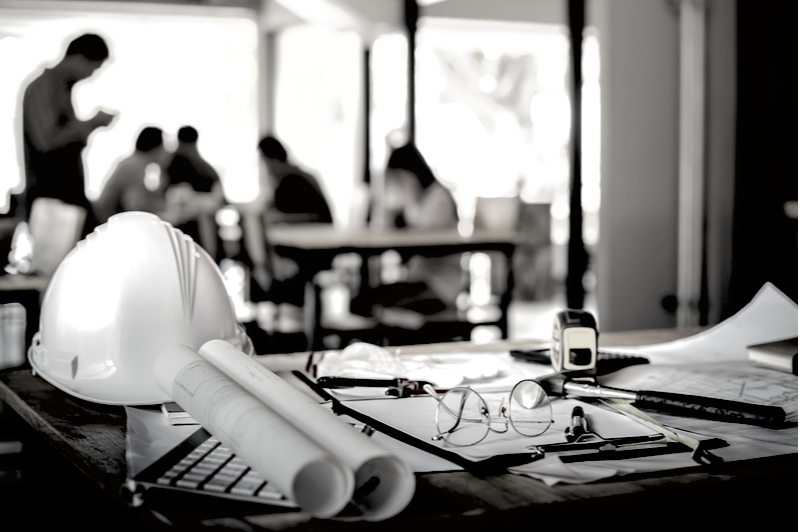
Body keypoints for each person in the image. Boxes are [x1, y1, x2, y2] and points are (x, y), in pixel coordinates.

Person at [21, 33, 117, 237]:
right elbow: (47, 141)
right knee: (54, 263)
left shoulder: (62, 89)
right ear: (79, 58)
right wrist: (90, 123)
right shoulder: (43, 87)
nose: (91, 74)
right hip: (51, 197)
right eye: (94, 67)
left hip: (63, 195)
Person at [352, 143, 464, 317]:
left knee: (370, 304)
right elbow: (383, 225)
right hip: (418, 280)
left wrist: (408, 191)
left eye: (398, 177)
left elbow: (420, 230)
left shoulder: (438, 196)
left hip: (440, 286)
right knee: (362, 301)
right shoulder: (415, 201)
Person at [163, 126, 224, 256]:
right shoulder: (208, 169)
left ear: (178, 141)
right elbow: (220, 199)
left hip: (186, 231)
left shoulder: (173, 163)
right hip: (204, 229)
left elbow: (165, 194)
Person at [93, 126, 167, 224]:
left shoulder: (132, 162)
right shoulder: (135, 166)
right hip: (107, 223)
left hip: (106, 220)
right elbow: (134, 205)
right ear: (156, 148)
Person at [257, 135, 332, 224]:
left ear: (273, 160)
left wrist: (282, 218)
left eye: (263, 161)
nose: (264, 169)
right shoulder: (289, 179)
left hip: (314, 234)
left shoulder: (295, 181)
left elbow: (320, 216)